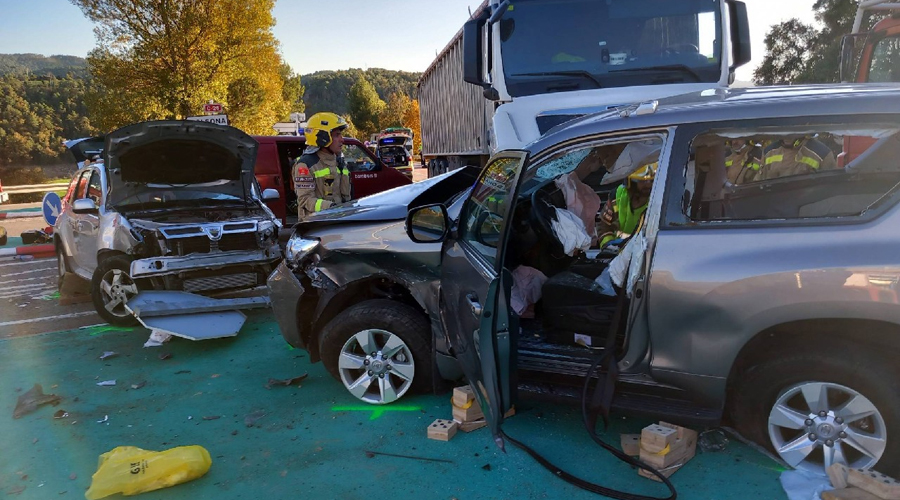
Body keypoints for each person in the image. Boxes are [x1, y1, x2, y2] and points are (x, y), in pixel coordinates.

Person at [292, 112, 351, 219]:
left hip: (337, 221)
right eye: (337, 135)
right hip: (316, 226)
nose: (342, 140)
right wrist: (332, 207)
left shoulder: (339, 162)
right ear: (323, 137)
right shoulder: (305, 165)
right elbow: (305, 200)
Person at [596, 159, 657, 248]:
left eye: (651, 181)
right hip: (618, 254)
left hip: (645, 252)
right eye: (642, 181)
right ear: (631, 182)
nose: (648, 185)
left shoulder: (659, 201)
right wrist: (608, 245)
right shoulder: (617, 196)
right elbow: (604, 225)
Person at [761, 136, 837, 179]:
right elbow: (759, 182)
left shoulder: (821, 154)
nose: (787, 135)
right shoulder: (769, 152)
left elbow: (830, 187)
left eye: (792, 130)